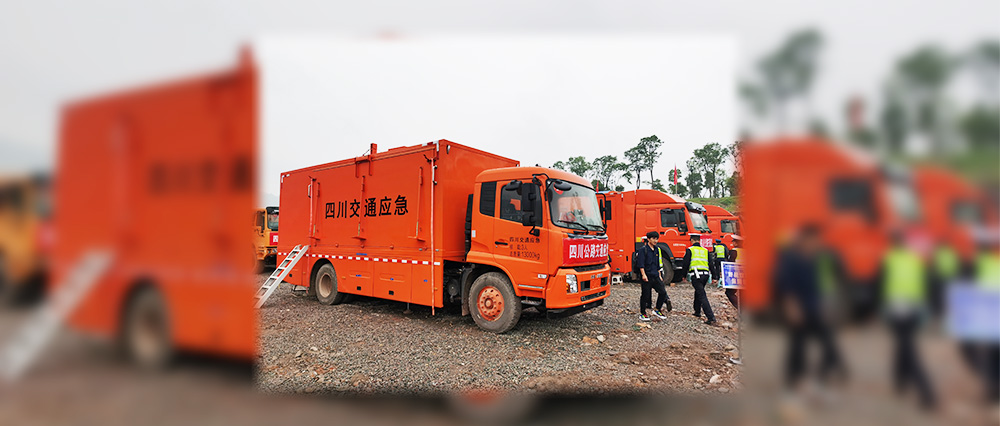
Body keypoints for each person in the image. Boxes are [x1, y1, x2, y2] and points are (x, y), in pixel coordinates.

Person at [775, 224, 846, 390]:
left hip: (816, 306)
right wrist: (791, 306)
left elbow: (825, 283)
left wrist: (829, 304)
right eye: (811, 240)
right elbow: (785, 284)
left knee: (827, 341)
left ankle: (827, 374)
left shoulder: (818, 258)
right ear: (804, 240)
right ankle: (793, 378)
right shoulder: (792, 259)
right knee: (797, 344)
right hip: (799, 307)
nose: (814, 243)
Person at [879, 231, 936, 410]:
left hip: (896, 310)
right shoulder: (916, 259)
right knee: (903, 345)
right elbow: (928, 283)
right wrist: (927, 308)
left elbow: (879, 284)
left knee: (908, 349)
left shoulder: (888, 259)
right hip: (914, 310)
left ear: (892, 243)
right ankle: (900, 381)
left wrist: (878, 310)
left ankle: (927, 393)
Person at [635, 231, 672, 321]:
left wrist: (659, 275)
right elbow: (641, 264)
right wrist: (643, 275)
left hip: (655, 275)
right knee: (645, 295)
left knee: (663, 292)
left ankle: (657, 309)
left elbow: (657, 264)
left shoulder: (657, 250)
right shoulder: (643, 250)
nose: (655, 241)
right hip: (647, 276)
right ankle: (643, 313)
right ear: (648, 239)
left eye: (656, 239)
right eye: (653, 238)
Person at [682, 233, 716, 325]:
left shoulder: (690, 250)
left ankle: (711, 317)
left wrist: (683, 275)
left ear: (692, 240)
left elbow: (685, 264)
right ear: (699, 240)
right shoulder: (705, 250)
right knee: (699, 291)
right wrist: (715, 276)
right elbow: (711, 264)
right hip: (705, 275)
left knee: (701, 294)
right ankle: (697, 311)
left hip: (696, 275)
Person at [724, 236, 743, 308]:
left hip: (736, 276)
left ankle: (741, 309)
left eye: (733, 241)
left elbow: (730, 264)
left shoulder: (734, 251)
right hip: (745, 277)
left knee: (729, 292)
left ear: (735, 243)